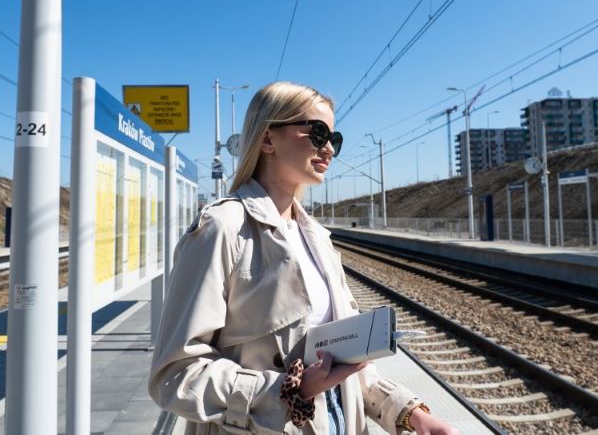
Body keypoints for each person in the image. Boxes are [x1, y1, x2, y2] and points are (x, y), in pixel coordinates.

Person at [150, 82, 459, 435]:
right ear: (268, 139)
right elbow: (175, 374)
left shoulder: (317, 238)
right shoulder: (223, 227)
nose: (328, 149)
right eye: (317, 133)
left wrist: (409, 413)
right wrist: (287, 392)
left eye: (334, 139)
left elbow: (346, 358)